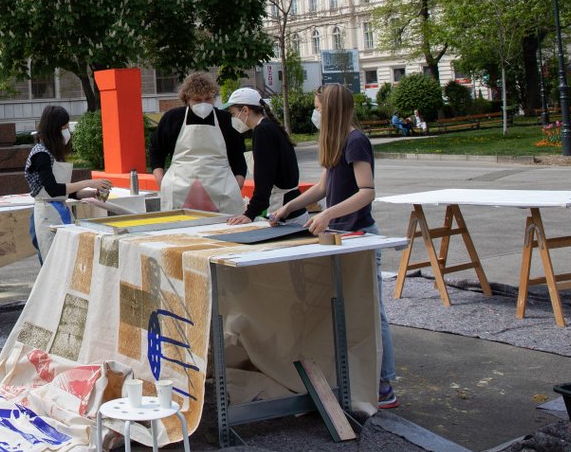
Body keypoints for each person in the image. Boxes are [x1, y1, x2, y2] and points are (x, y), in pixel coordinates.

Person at [270, 83, 399, 409]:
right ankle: (342, 374)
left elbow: (366, 190)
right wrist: (289, 208)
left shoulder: (356, 141)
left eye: (317, 106)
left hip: (361, 236)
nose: (315, 112)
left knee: (371, 310)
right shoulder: (335, 142)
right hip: (338, 238)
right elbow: (324, 187)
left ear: (330, 108)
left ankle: (384, 384)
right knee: (336, 306)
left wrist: (328, 213)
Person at [24, 105, 112, 264]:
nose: (67, 131)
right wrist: (89, 182)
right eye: (63, 127)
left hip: (60, 209)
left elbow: (67, 192)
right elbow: (53, 189)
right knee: (54, 263)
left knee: (67, 262)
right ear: (53, 129)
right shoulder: (41, 154)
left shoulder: (52, 153)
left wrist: (92, 192)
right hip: (47, 213)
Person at [149, 72, 247, 214]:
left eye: (208, 99)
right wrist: (162, 182)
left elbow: (238, 156)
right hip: (179, 190)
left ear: (214, 97)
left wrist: (237, 184)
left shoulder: (226, 120)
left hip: (222, 191)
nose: (203, 104)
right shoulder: (172, 118)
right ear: (187, 99)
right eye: (197, 100)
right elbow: (156, 151)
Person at [223, 87, 300, 225]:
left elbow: (265, 178)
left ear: (245, 110)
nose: (233, 119)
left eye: (233, 114)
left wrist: (250, 213)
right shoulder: (270, 127)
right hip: (291, 206)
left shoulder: (262, 131)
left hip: (283, 211)